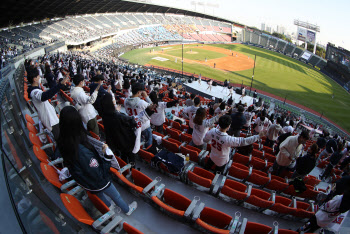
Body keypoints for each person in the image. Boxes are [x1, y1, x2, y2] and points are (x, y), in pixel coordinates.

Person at [57, 106, 137, 215]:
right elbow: (98, 173)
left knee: (100, 196)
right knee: (116, 196)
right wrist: (107, 156)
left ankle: (110, 208)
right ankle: (127, 210)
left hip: (86, 181)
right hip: (98, 180)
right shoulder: (81, 151)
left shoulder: (63, 140)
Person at [101, 93, 156, 164]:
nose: (114, 101)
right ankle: (131, 168)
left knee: (123, 157)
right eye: (112, 100)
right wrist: (148, 110)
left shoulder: (105, 114)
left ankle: (125, 166)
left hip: (115, 142)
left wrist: (117, 111)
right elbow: (135, 120)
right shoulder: (118, 116)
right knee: (131, 158)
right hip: (126, 142)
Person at [27, 65, 69, 140]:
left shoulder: (35, 90)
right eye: (38, 76)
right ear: (34, 79)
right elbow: (44, 96)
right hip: (50, 121)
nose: (39, 78)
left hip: (52, 119)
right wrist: (60, 85)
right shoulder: (34, 92)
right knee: (61, 140)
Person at [124, 83, 153, 149]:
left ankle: (141, 152)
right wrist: (146, 97)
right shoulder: (142, 102)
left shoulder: (125, 100)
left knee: (139, 141)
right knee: (148, 142)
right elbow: (152, 107)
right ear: (139, 92)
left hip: (134, 125)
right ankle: (148, 153)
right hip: (144, 126)